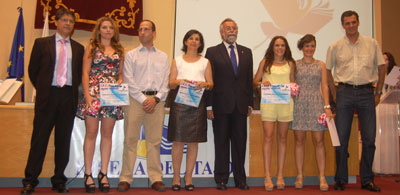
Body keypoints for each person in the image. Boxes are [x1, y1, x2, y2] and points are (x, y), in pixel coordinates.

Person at [22, 8, 84, 195]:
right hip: (47, 97)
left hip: (68, 98)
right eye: (64, 20)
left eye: (71, 21)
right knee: (39, 141)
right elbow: (33, 71)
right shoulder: (41, 43)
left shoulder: (79, 48)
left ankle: (59, 180)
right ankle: (30, 180)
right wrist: (44, 89)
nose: (67, 24)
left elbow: (80, 76)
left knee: (63, 141)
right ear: (56, 22)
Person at [326, 10, 385, 192]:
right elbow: (328, 71)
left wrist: (379, 92)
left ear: (358, 23)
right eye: (347, 23)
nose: (350, 26)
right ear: (342, 25)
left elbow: (382, 67)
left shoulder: (372, 44)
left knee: (369, 139)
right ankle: (341, 179)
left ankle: (367, 180)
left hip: (367, 93)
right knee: (341, 139)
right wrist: (335, 94)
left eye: (353, 22)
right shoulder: (335, 46)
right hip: (344, 92)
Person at [117, 20, 170, 192]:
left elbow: (166, 83)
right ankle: (125, 178)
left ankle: (155, 178)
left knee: (154, 142)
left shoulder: (163, 56)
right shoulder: (131, 55)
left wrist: (155, 99)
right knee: (130, 140)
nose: (142, 32)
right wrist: (143, 99)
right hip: (135, 100)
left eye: (146, 29)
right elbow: (128, 79)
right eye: (140, 29)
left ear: (154, 33)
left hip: (157, 101)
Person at [75, 17, 124, 193]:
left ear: (114, 30)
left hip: (112, 96)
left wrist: (119, 81)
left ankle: (103, 173)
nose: (108, 30)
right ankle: (88, 173)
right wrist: (87, 96)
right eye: (104, 27)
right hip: (94, 95)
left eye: (111, 27)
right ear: (99, 29)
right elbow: (85, 73)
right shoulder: (91, 48)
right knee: (91, 134)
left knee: (107, 135)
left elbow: (120, 74)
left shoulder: (119, 49)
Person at [205, 18, 253, 191]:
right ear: (221, 32)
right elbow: (209, 80)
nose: (231, 30)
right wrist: (209, 106)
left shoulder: (246, 52)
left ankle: (240, 179)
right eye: (228, 28)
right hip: (220, 106)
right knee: (221, 143)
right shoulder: (212, 52)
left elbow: (248, 80)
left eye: (234, 28)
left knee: (240, 143)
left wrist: (250, 104)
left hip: (240, 106)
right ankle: (222, 179)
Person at [168, 29, 213, 191]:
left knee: (193, 142)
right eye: (191, 38)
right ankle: (175, 178)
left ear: (200, 44)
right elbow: (171, 83)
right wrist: (180, 81)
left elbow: (211, 83)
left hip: (197, 104)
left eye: (197, 39)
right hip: (180, 104)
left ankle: (188, 177)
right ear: (185, 41)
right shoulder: (177, 60)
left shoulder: (205, 62)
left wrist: (205, 84)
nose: (194, 41)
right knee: (178, 142)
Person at [253, 36, 295, 191]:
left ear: (286, 47)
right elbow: (254, 81)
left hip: (285, 104)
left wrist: (293, 88)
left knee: (283, 138)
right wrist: (261, 83)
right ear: (272, 46)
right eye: (277, 45)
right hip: (269, 104)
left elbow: (293, 83)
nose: (280, 48)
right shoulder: (265, 62)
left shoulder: (291, 63)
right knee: (268, 138)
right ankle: (267, 176)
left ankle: (280, 175)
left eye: (282, 45)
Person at [290, 34, 332, 191]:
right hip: (299, 104)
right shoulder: (294, 64)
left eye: (312, 46)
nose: (310, 49)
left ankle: (322, 177)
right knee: (299, 141)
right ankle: (300, 176)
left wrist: (327, 106)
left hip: (317, 104)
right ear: (302, 47)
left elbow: (325, 86)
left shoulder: (321, 64)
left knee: (319, 141)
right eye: (307, 46)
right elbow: (292, 84)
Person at [373, 52, 400, 175]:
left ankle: (392, 167)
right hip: (379, 107)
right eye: (382, 60)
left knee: (391, 137)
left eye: (387, 60)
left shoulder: (395, 74)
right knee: (379, 137)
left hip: (392, 108)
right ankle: (378, 167)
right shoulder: (374, 74)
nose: (384, 62)